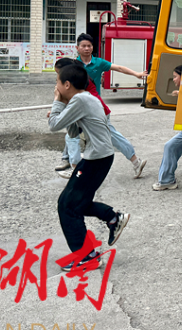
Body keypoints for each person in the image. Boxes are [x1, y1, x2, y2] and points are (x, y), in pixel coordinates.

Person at [49, 63, 129, 271]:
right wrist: (66, 111)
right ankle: (113, 218)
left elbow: (53, 125)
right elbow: (73, 133)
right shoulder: (86, 98)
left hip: (97, 158)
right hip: (99, 156)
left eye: (57, 82)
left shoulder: (80, 100)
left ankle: (87, 257)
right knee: (76, 203)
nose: (56, 87)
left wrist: (57, 102)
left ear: (67, 84)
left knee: (67, 206)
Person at [53, 58, 147, 179]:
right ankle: (136, 162)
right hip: (98, 110)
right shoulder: (81, 74)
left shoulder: (75, 80)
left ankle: (75, 168)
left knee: (73, 137)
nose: (58, 77)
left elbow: (73, 101)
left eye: (59, 73)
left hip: (94, 113)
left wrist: (58, 107)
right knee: (111, 136)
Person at [75, 33, 147, 95]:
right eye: (83, 46)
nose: (87, 48)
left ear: (92, 47)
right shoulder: (73, 64)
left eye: (89, 46)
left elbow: (119, 68)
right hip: (78, 101)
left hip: (95, 100)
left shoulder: (99, 62)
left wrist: (136, 74)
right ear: (77, 48)